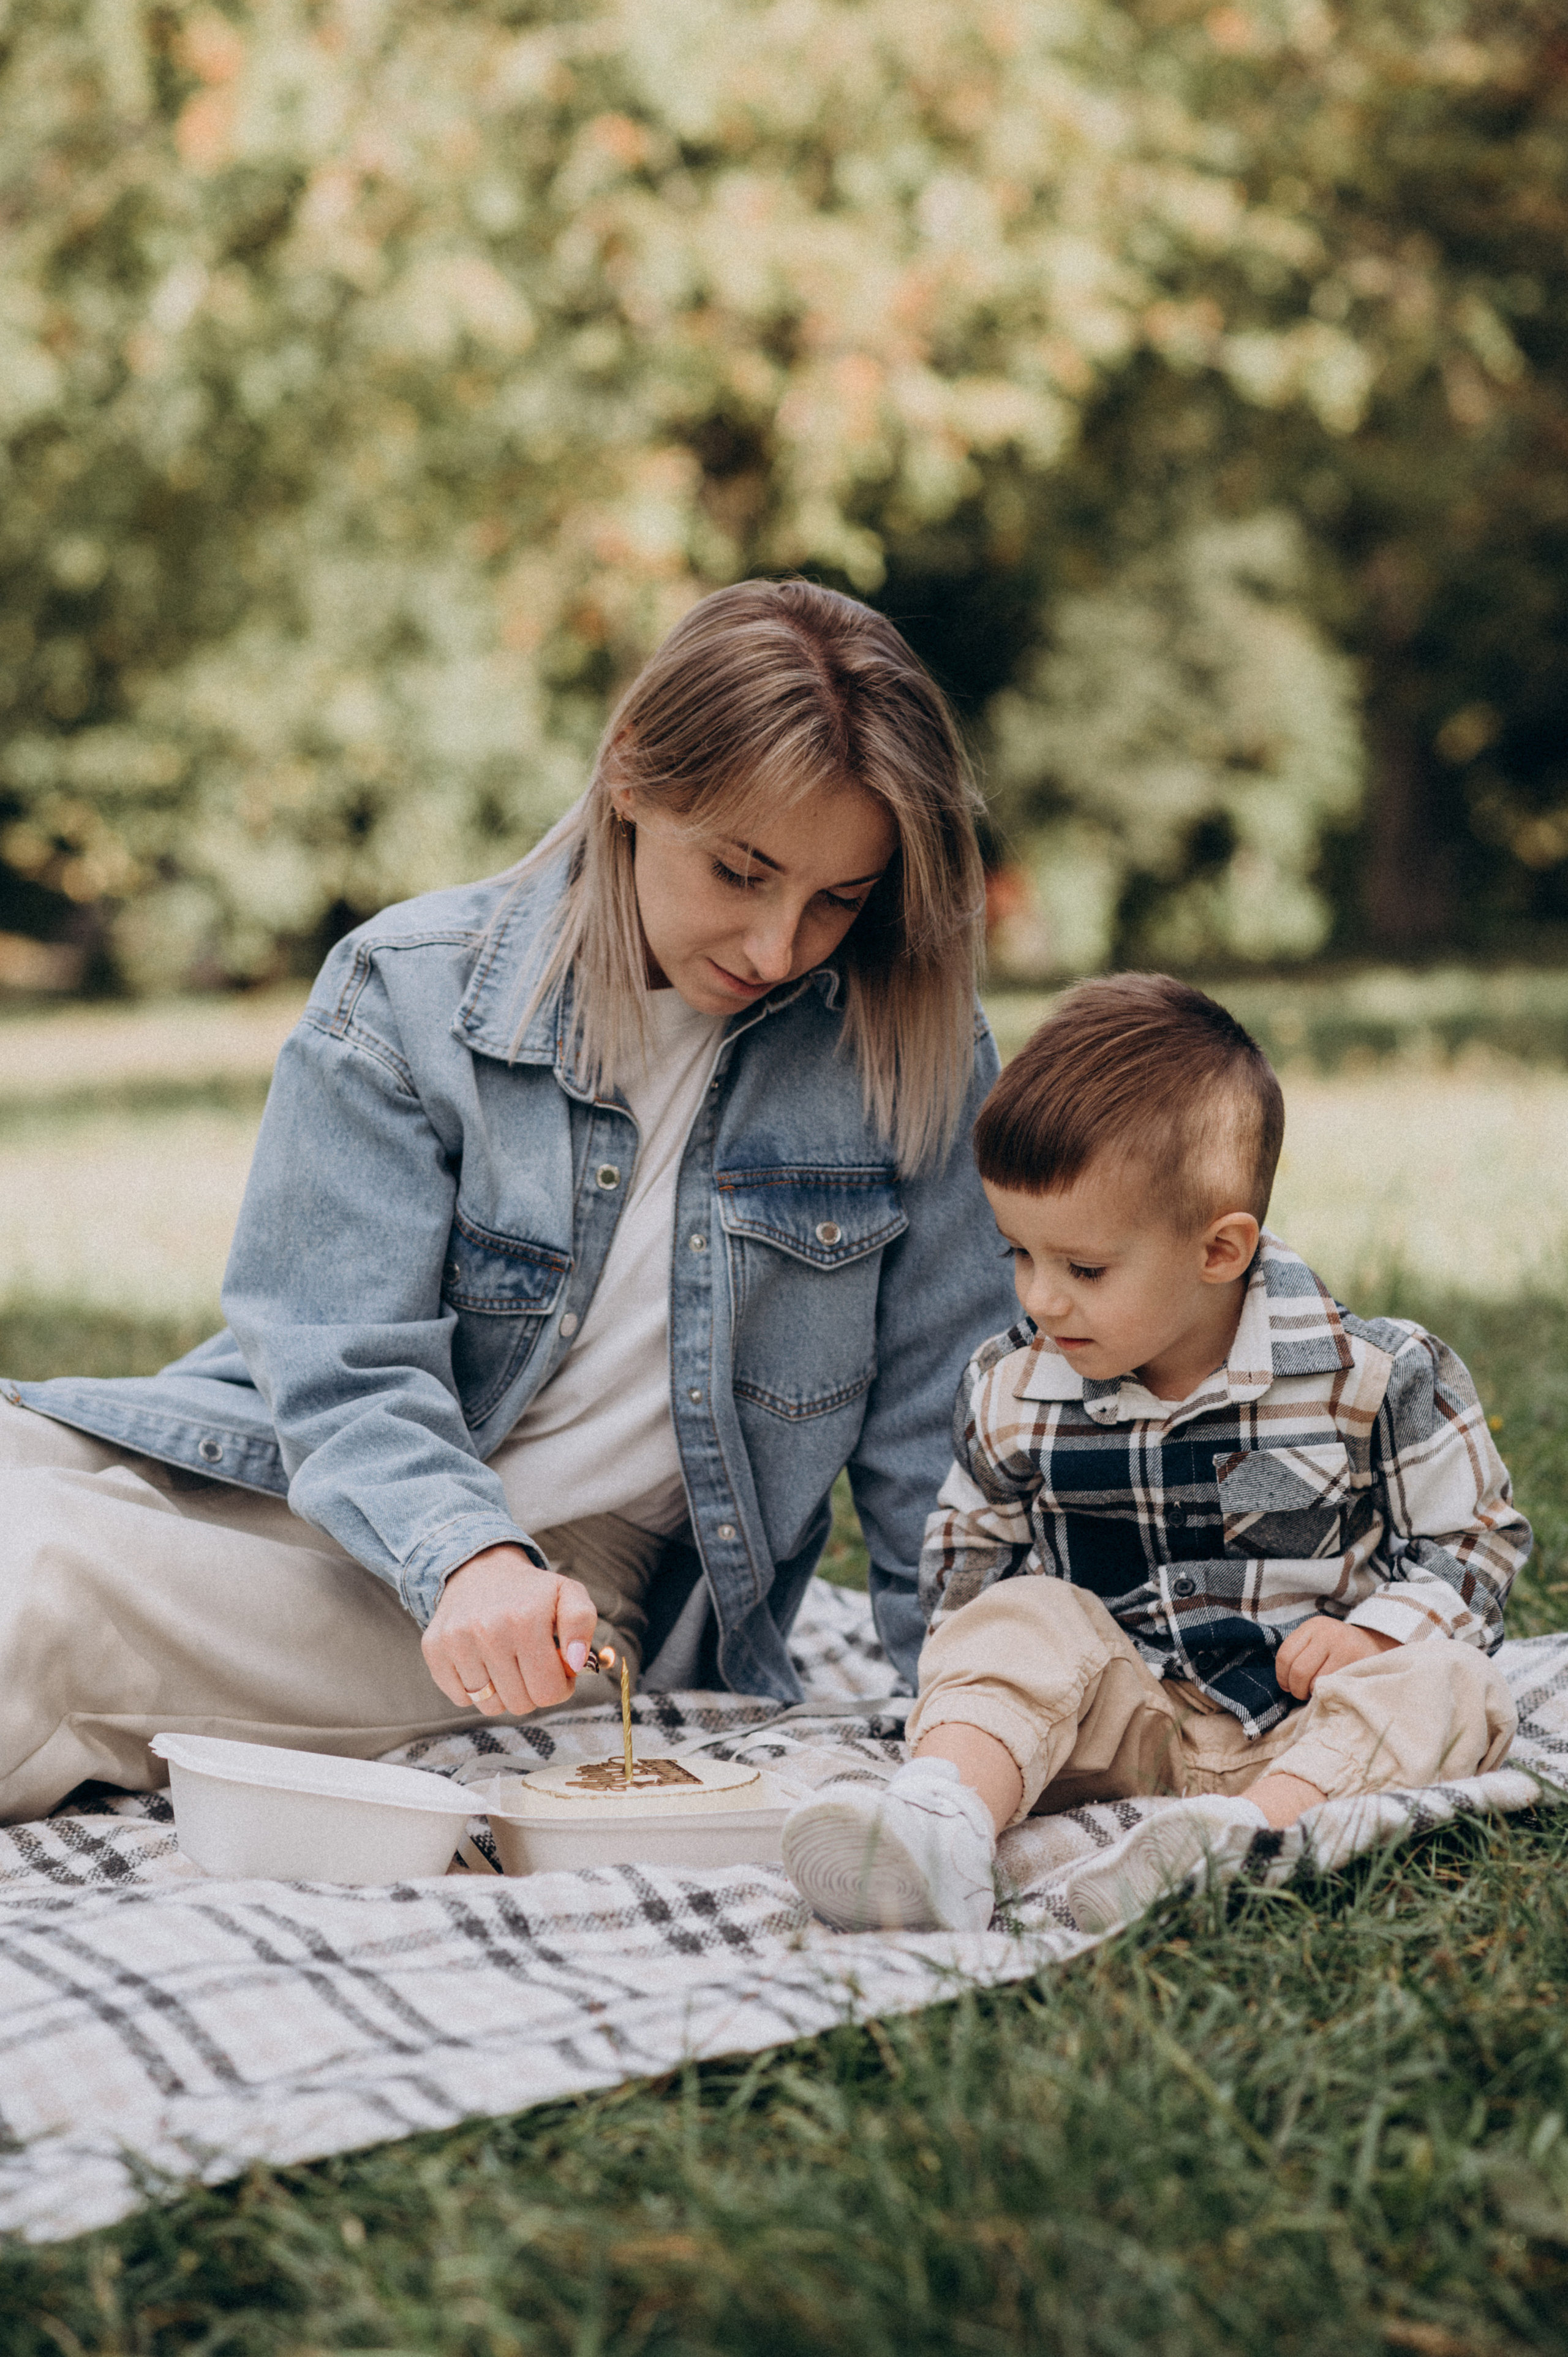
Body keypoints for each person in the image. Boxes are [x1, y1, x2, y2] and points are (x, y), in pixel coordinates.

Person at [0, 579, 1019, 1825]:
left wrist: (984, 1713)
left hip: (559, 1613)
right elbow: (336, 1360)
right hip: (300, 1472)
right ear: (632, 777)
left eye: (835, 900)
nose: (773, 945)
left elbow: (945, 1445)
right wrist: (458, 1547)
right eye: (739, 872)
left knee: (34, 1588)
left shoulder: (907, 1054)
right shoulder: (409, 994)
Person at [782, 975, 1529, 1934]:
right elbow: (969, 1567)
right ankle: (941, 1823)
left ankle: (1241, 1840)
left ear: (1220, 1251)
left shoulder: (1375, 1377)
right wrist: (983, 1706)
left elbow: (1477, 1541)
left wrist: (1378, 1634)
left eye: (1083, 1269)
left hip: (1311, 1729)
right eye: (1018, 1254)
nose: (1041, 1301)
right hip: (1114, 1728)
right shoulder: (1014, 1391)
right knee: (1020, 1617)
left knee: (1456, 1686)